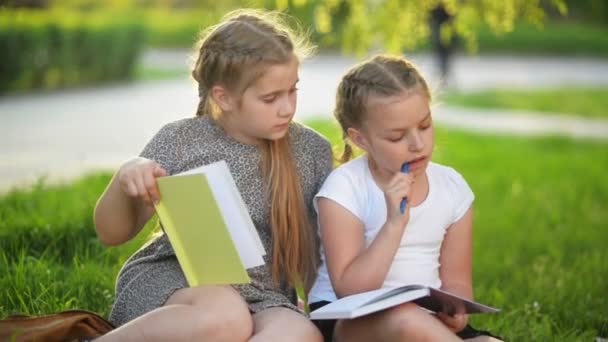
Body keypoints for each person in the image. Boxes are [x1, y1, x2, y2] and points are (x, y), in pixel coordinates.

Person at [93, 9, 333, 341]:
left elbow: (327, 249)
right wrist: (127, 177)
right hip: (179, 283)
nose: (287, 108)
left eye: (293, 90)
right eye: (271, 98)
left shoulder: (311, 150)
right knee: (227, 318)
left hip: (263, 295)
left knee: (301, 334)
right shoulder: (180, 141)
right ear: (224, 96)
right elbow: (111, 233)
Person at [308, 55, 501, 341]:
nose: (417, 144)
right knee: (405, 319)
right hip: (349, 319)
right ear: (360, 139)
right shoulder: (343, 190)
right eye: (397, 137)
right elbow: (349, 290)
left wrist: (457, 312)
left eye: (424, 126)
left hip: (428, 321)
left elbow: (457, 281)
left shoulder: (452, 188)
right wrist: (394, 225)